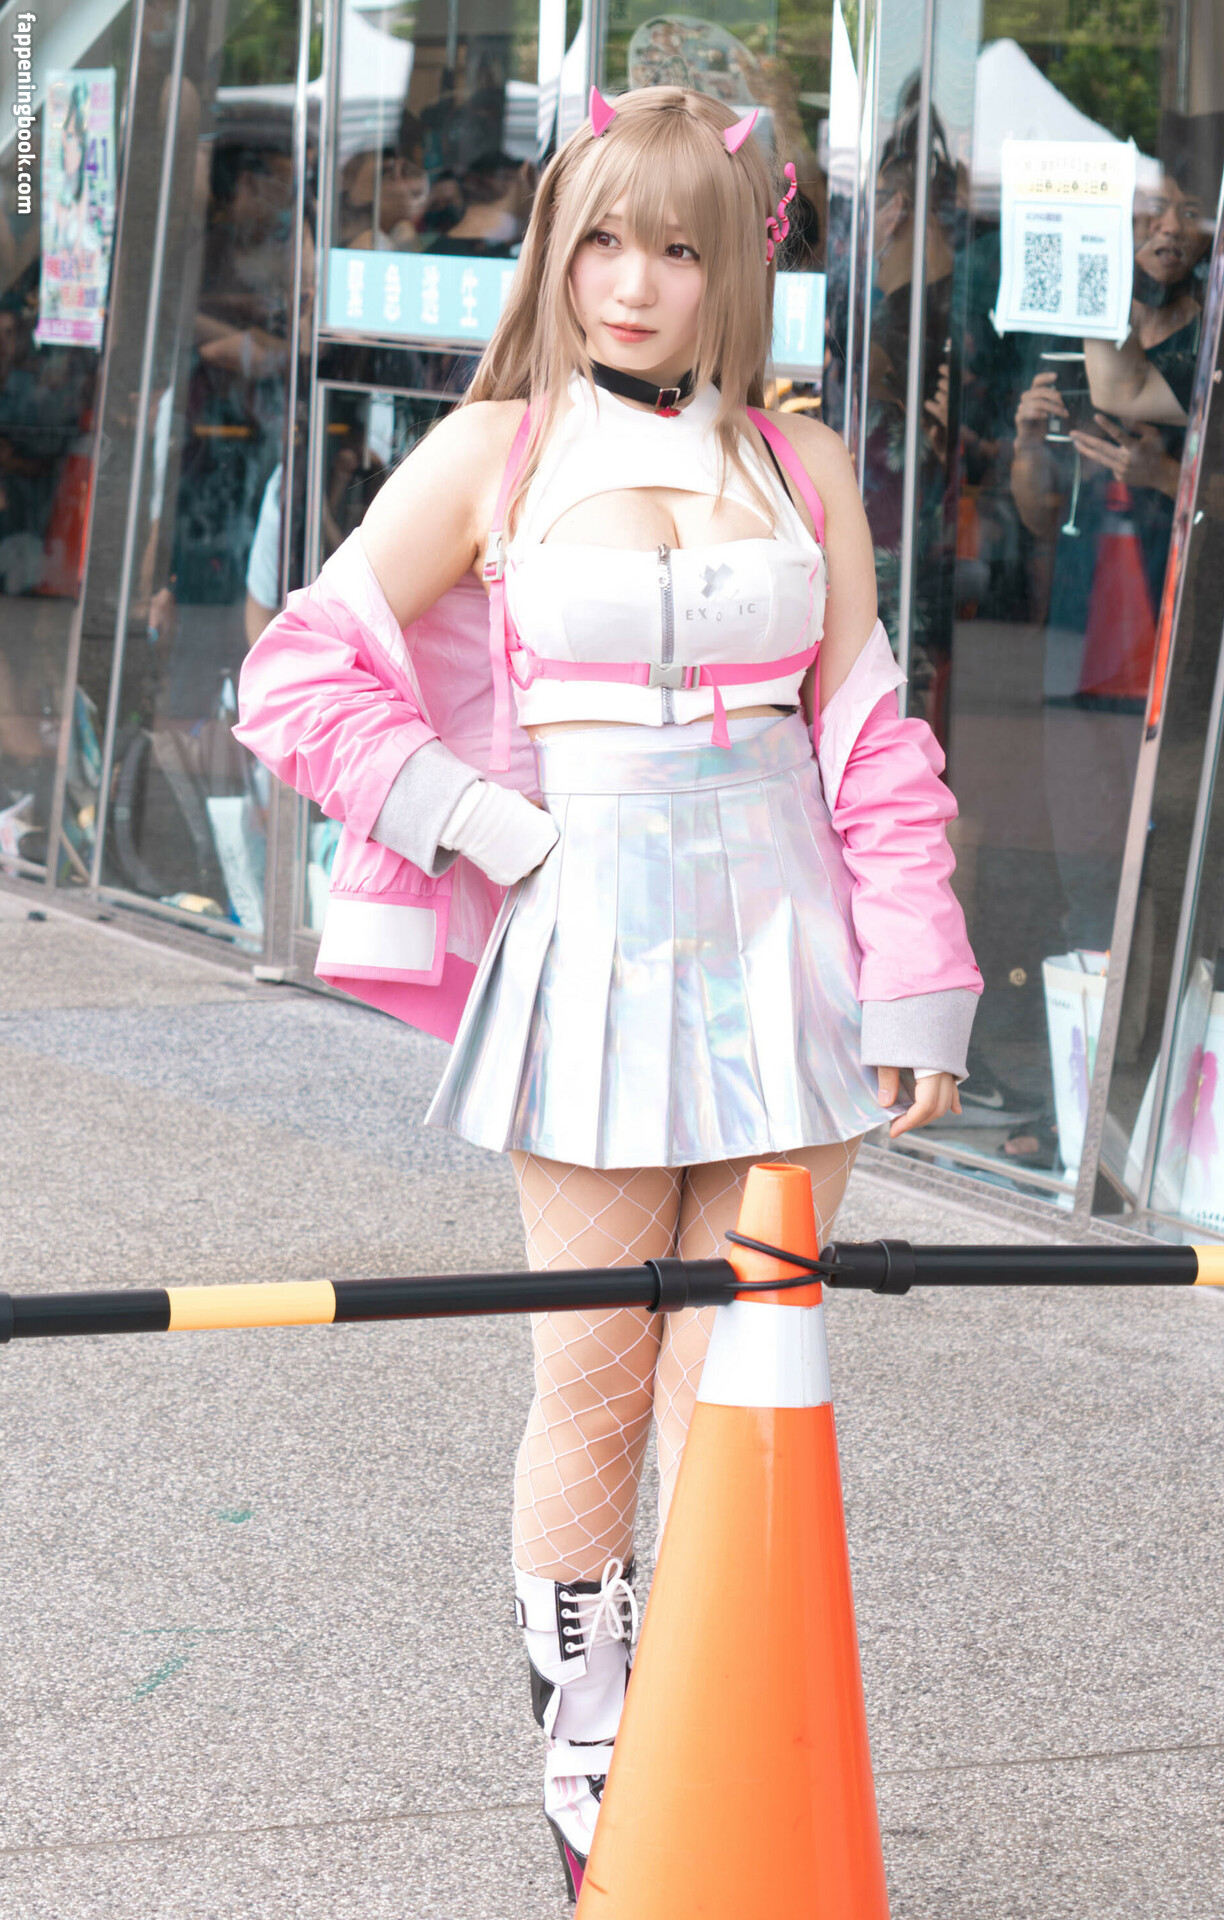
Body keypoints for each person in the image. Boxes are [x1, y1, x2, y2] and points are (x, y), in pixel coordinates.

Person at [232, 85, 980, 1899]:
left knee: (743, 1383)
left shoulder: (801, 467)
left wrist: (919, 982)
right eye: (600, 244)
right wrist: (493, 829)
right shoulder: (491, 451)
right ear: (557, 253)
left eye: (676, 249)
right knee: (592, 1375)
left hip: (792, 952)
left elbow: (870, 738)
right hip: (588, 944)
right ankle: (587, 1745)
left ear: (737, 267)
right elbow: (296, 677)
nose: (633, 284)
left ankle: (718, 1742)